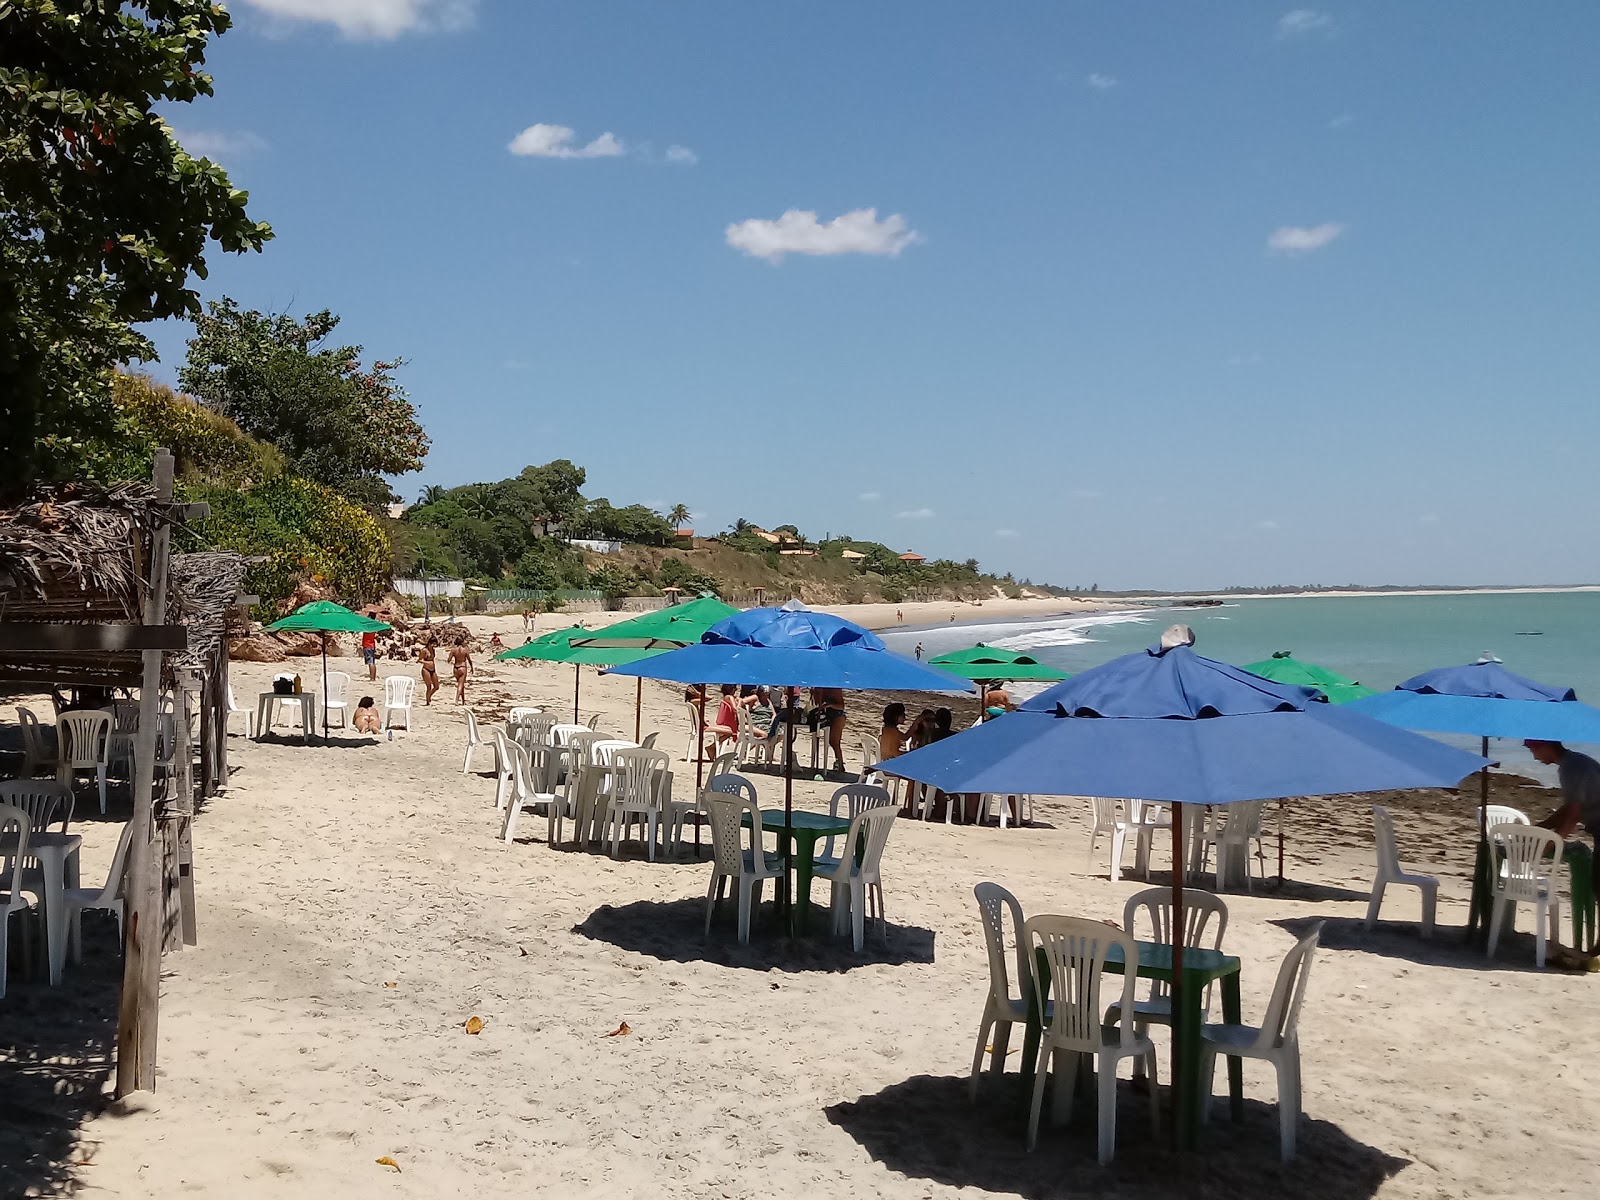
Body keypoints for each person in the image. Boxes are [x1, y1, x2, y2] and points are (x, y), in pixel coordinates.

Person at [1528, 738, 1600, 953]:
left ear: (1546, 747)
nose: (1534, 757)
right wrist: (1542, 827)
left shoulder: (1571, 768)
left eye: (1534, 750)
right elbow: (1569, 808)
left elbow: (1574, 815)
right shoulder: (1574, 762)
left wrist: (1553, 842)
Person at [810, 686, 847, 772]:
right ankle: (838, 763)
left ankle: (840, 763)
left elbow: (841, 706)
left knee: (834, 741)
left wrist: (830, 705)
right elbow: (816, 703)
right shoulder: (819, 688)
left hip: (838, 716)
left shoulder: (835, 689)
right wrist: (815, 693)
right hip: (826, 715)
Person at [418, 639, 441, 706]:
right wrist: (427, 663)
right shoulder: (424, 650)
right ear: (429, 643)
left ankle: (429, 695)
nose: (434, 646)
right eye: (433, 644)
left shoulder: (433, 650)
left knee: (436, 686)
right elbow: (419, 660)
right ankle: (427, 701)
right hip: (426, 669)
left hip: (433, 669)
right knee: (429, 686)